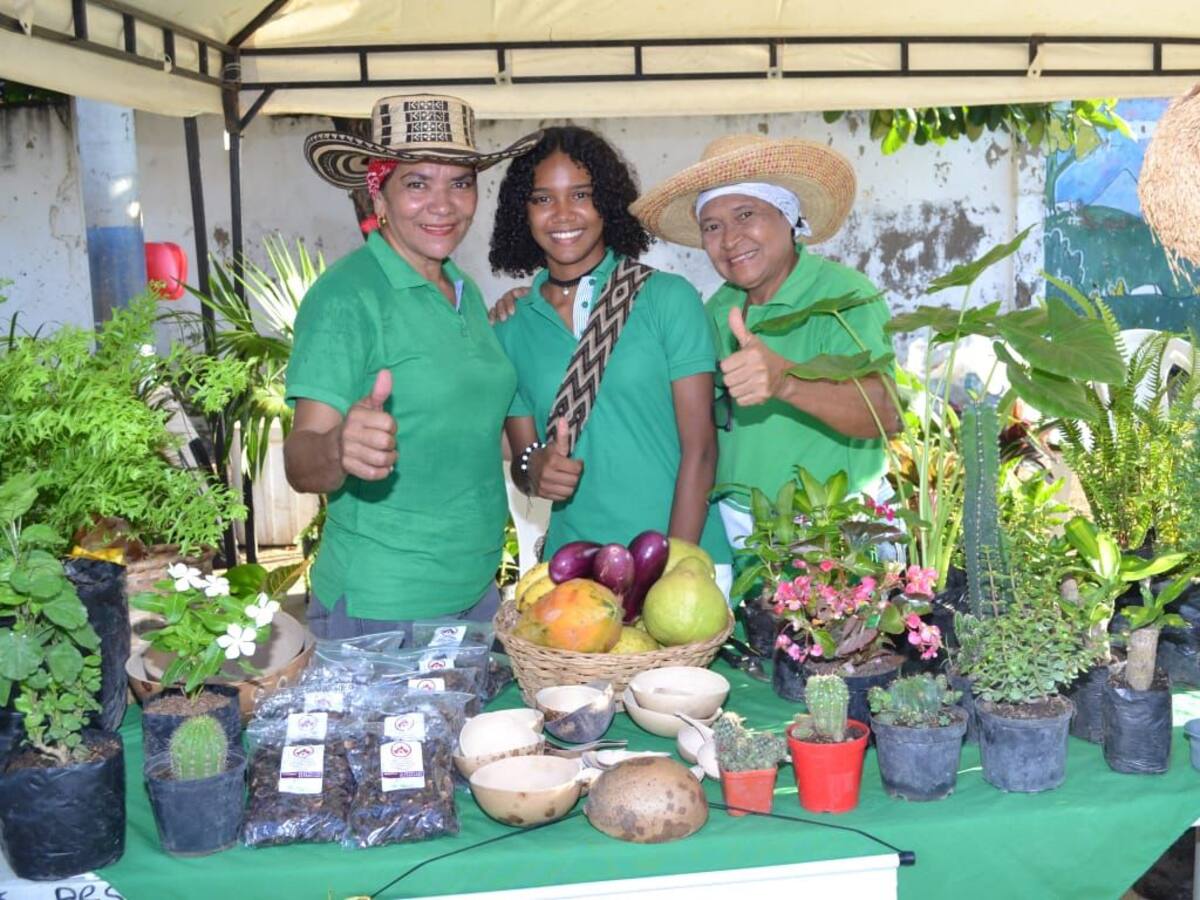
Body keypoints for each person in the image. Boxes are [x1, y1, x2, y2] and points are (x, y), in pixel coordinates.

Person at [284, 94, 540, 640]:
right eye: (418, 183)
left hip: (474, 596)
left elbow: (467, 428)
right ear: (379, 191)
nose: (443, 204)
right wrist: (338, 449)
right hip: (385, 609)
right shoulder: (347, 297)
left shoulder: (462, 292)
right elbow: (301, 459)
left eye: (461, 182)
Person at [630, 134, 900, 551]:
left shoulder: (844, 296)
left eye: (745, 214)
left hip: (834, 535)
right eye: (713, 227)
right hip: (737, 530)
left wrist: (785, 382)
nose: (730, 239)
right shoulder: (720, 308)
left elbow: (886, 414)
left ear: (788, 216)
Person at [488, 126, 732, 587]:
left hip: (684, 559)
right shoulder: (512, 325)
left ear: (609, 202)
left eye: (581, 194)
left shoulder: (667, 299)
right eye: (543, 199)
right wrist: (536, 469)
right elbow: (525, 460)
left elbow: (700, 450)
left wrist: (668, 573)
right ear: (523, 212)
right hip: (574, 571)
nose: (563, 214)